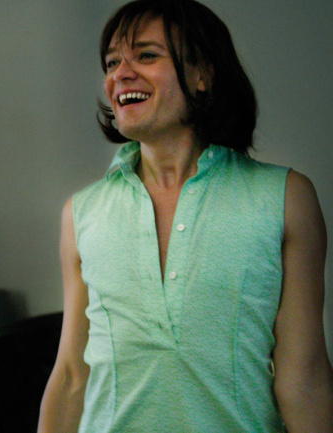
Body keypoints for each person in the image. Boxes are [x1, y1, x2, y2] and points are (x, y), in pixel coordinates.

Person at [38, 0, 333, 432]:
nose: (120, 74)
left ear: (202, 75)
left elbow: (304, 378)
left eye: (146, 55)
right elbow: (70, 377)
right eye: (112, 62)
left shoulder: (285, 199)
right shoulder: (80, 214)